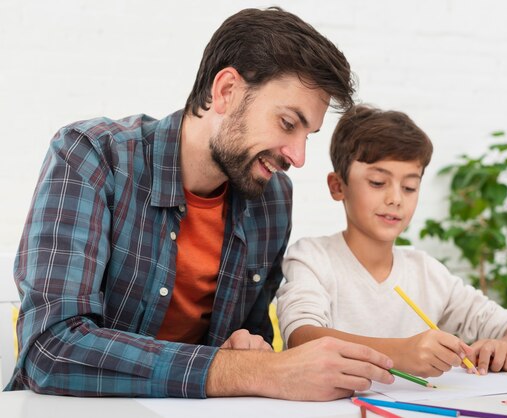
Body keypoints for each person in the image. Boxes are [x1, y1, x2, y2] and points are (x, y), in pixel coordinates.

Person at [7, 8, 395, 399]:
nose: (298, 156)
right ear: (226, 91)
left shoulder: (272, 199)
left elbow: (251, 348)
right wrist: (246, 370)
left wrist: (249, 351)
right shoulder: (93, 156)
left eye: (307, 135)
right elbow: (50, 349)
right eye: (287, 123)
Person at [276, 104, 507, 378]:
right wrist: (401, 353)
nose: (396, 199)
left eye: (409, 187)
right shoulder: (313, 258)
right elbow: (302, 337)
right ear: (338, 186)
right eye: (378, 182)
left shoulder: (426, 272)